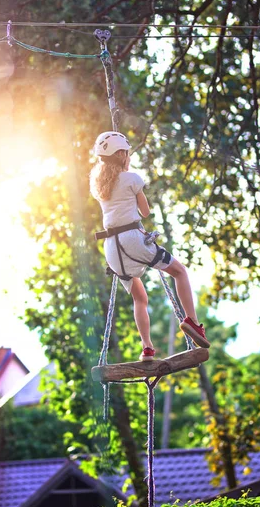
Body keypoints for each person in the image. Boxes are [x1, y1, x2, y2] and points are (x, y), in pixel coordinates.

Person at [90, 131, 210, 361]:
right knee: (179, 271)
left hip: (112, 250)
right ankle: (193, 322)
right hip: (131, 239)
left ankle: (147, 348)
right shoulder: (132, 179)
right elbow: (145, 212)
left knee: (140, 298)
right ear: (122, 154)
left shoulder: (98, 185)